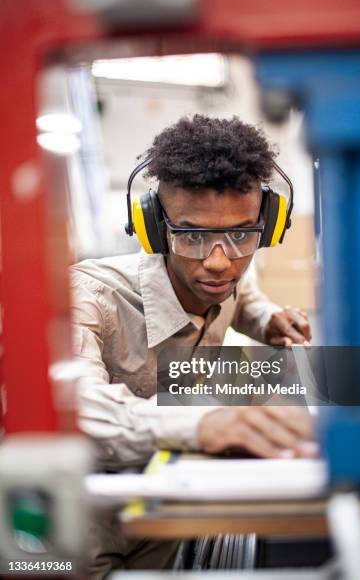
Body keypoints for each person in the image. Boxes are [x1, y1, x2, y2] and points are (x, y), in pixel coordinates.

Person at [71, 115, 315, 577]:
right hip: (84, 524)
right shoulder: (89, 296)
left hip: (166, 503)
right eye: (192, 235)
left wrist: (270, 320)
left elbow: (247, 300)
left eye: (242, 233)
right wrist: (205, 423)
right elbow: (73, 408)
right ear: (155, 229)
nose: (221, 262)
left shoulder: (231, 276)